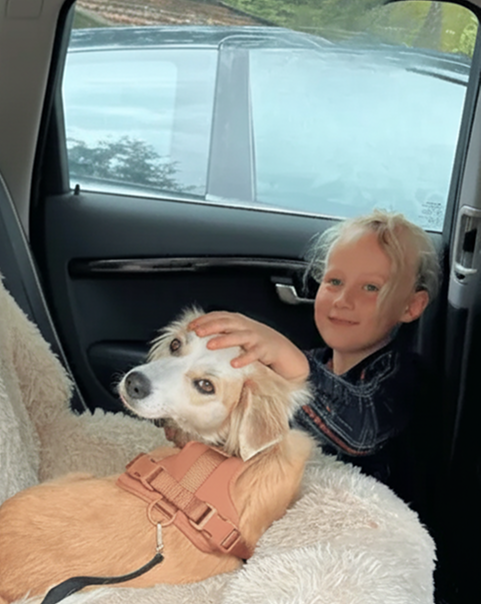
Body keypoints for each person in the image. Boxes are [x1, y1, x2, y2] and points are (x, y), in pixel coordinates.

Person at [189, 209, 440, 518]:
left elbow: (360, 431)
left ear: (411, 306)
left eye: (371, 288)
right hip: (296, 508)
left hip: (367, 530)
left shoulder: (404, 377)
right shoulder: (314, 363)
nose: (343, 300)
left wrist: (287, 360)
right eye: (334, 281)